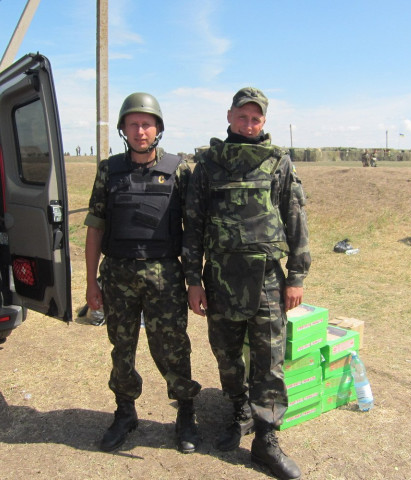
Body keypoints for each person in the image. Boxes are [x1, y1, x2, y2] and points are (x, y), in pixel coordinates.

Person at [183, 87, 310, 480]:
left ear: (264, 122)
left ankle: (266, 440)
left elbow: (295, 220)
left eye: (256, 118)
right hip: (220, 278)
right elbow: (193, 225)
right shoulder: (207, 165)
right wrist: (192, 279)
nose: (249, 124)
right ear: (229, 116)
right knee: (226, 354)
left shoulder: (278, 163)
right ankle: (239, 409)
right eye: (243, 116)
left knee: (269, 360)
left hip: (267, 279)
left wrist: (296, 276)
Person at [84, 92, 201, 453]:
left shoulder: (179, 170)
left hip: (164, 276)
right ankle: (125, 412)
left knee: (172, 347)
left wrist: (194, 280)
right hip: (117, 276)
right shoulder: (109, 170)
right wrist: (90, 282)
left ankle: (185, 412)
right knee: (121, 348)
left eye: (147, 124)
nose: (140, 131)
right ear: (123, 128)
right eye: (133, 124)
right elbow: (95, 227)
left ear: (158, 129)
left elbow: (193, 230)